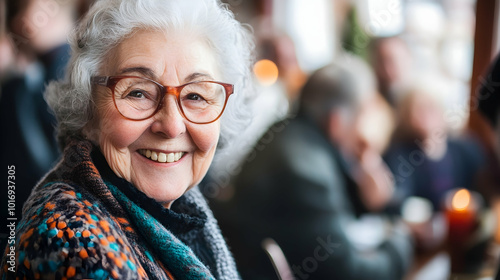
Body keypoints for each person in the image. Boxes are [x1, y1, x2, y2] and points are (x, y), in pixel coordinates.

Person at [0, 0, 253, 278]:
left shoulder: (177, 214)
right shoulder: (75, 244)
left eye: (195, 96)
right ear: (89, 112)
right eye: (138, 93)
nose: (171, 126)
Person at [221, 55, 413, 280]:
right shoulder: (305, 173)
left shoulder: (288, 132)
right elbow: (351, 275)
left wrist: (371, 197)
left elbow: (330, 213)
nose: (363, 130)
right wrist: (401, 241)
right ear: (336, 121)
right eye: (361, 116)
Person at [384, 81, 485, 213]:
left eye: (431, 107)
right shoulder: (400, 155)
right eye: (419, 109)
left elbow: (485, 184)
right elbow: (397, 196)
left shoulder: (464, 148)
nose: (426, 115)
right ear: (406, 116)